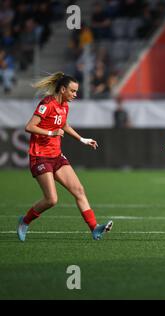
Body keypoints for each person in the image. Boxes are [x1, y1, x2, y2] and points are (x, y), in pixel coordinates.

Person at [17, 72, 113, 242]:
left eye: (76, 91)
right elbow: (29, 126)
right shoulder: (47, 104)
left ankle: (94, 229)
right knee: (52, 199)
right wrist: (51, 132)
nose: (75, 95)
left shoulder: (64, 106)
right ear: (62, 89)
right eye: (73, 91)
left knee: (79, 191)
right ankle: (24, 221)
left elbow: (64, 125)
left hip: (57, 156)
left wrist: (82, 139)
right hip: (40, 157)